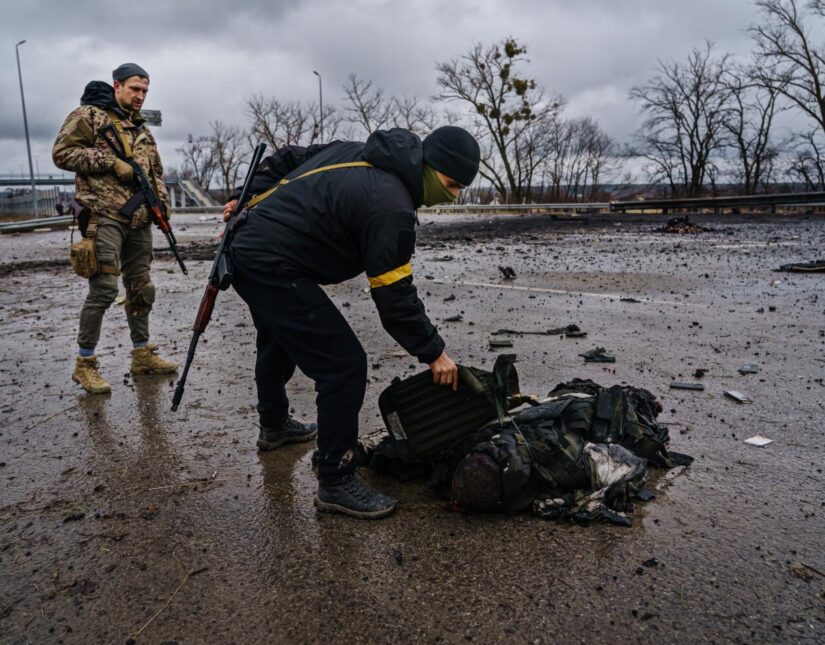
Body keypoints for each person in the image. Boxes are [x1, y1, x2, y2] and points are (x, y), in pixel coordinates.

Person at [224, 126, 480, 519]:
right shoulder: (392, 206)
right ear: (430, 166)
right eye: (451, 183)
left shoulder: (360, 151)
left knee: (280, 336)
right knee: (343, 365)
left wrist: (244, 200)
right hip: (269, 262)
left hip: (255, 248)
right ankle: (336, 480)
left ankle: (274, 426)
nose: (454, 194)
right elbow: (394, 298)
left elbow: (289, 156)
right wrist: (434, 353)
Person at [53, 63, 178, 394]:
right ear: (117, 86)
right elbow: (62, 153)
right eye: (135, 89)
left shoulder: (141, 129)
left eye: (145, 91)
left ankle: (142, 354)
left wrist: (162, 206)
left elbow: (155, 173)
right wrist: (110, 162)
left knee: (141, 288)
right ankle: (85, 363)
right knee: (105, 289)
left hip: (139, 219)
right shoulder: (90, 116)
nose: (140, 96)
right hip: (104, 215)